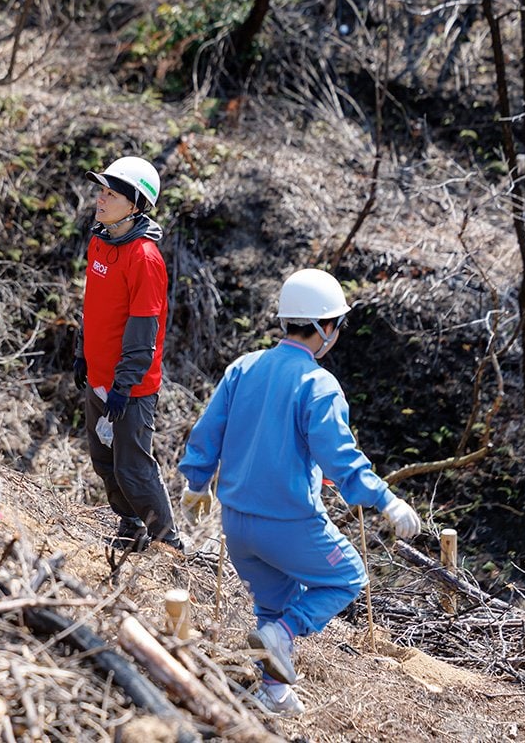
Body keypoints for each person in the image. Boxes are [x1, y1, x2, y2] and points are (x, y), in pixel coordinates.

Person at [178, 268, 422, 716]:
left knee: (274, 603)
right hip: (287, 522)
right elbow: (341, 458)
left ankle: (272, 692)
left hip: (234, 524)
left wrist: (196, 484)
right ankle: (284, 636)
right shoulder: (318, 384)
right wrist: (386, 498)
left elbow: (207, 433)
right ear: (325, 328)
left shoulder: (243, 367)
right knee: (347, 575)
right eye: (338, 326)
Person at [74, 155, 183, 554]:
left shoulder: (144, 258)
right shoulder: (99, 240)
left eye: (110, 194)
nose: (100, 200)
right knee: (103, 461)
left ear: (135, 204)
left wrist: (124, 386)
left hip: (130, 386)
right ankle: (131, 527)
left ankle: (168, 545)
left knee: (133, 469)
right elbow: (94, 304)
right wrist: (81, 352)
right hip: (99, 375)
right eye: (100, 191)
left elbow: (143, 331)